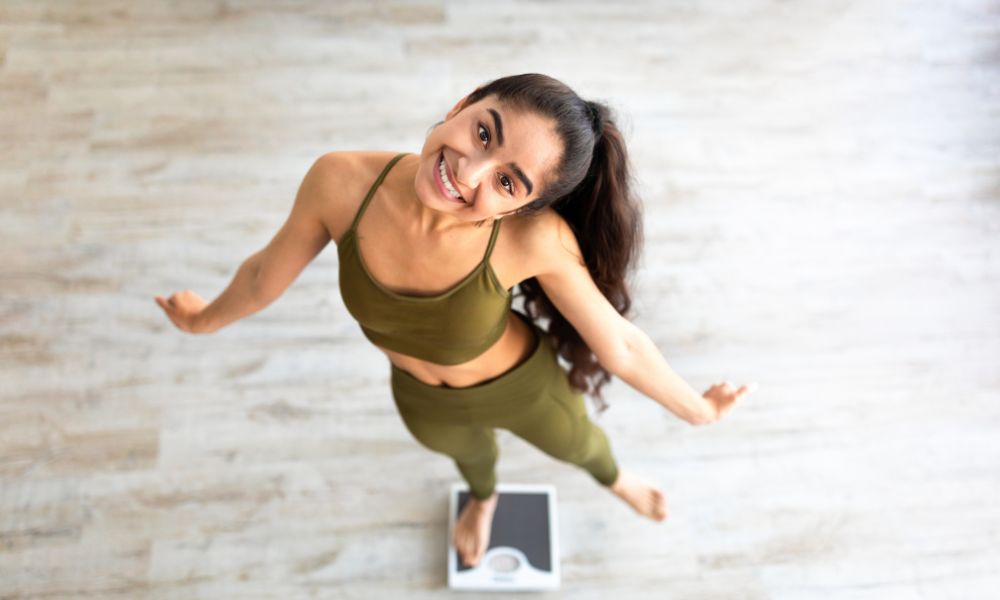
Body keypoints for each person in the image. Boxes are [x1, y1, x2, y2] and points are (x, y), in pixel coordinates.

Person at [155, 73, 757, 569]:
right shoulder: (339, 182)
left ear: (525, 205)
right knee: (468, 459)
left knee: (580, 446)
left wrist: (697, 409)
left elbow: (620, 344)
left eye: (505, 181)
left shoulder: (533, 239)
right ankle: (484, 500)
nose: (467, 172)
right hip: (421, 398)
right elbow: (265, 275)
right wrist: (205, 320)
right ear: (463, 104)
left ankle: (617, 479)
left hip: (521, 387)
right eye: (483, 132)